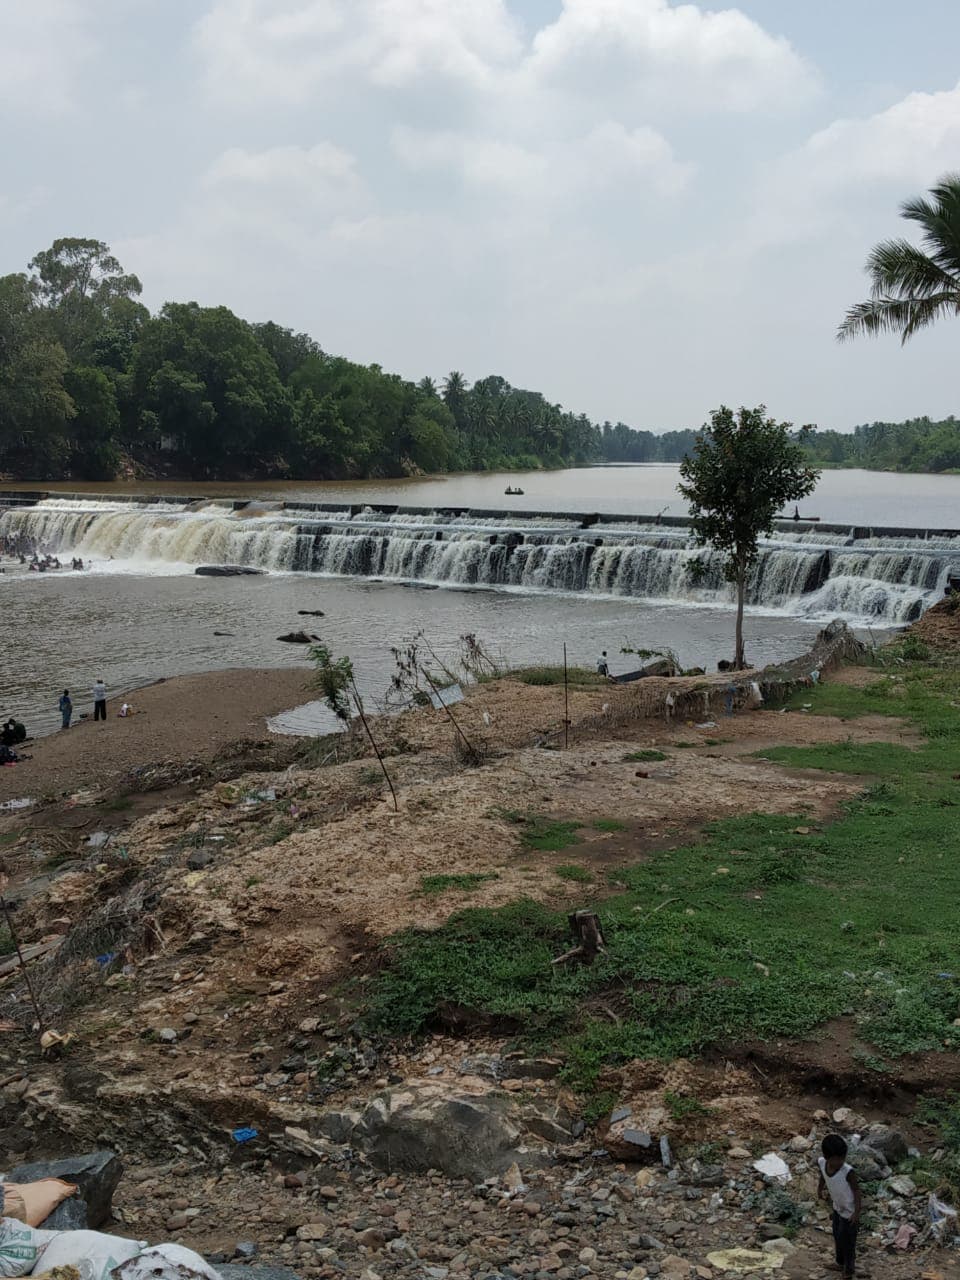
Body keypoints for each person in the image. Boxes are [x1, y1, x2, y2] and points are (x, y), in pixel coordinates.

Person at [818, 1134, 861, 1279]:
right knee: (837, 1236)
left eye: (843, 1158)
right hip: (837, 1208)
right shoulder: (822, 1163)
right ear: (827, 1157)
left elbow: (857, 1191)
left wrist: (856, 1213)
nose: (840, 1162)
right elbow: (822, 1176)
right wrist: (819, 1189)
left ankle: (849, 1270)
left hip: (849, 1214)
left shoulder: (847, 1171)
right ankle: (840, 1262)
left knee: (848, 1242)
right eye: (837, 1159)